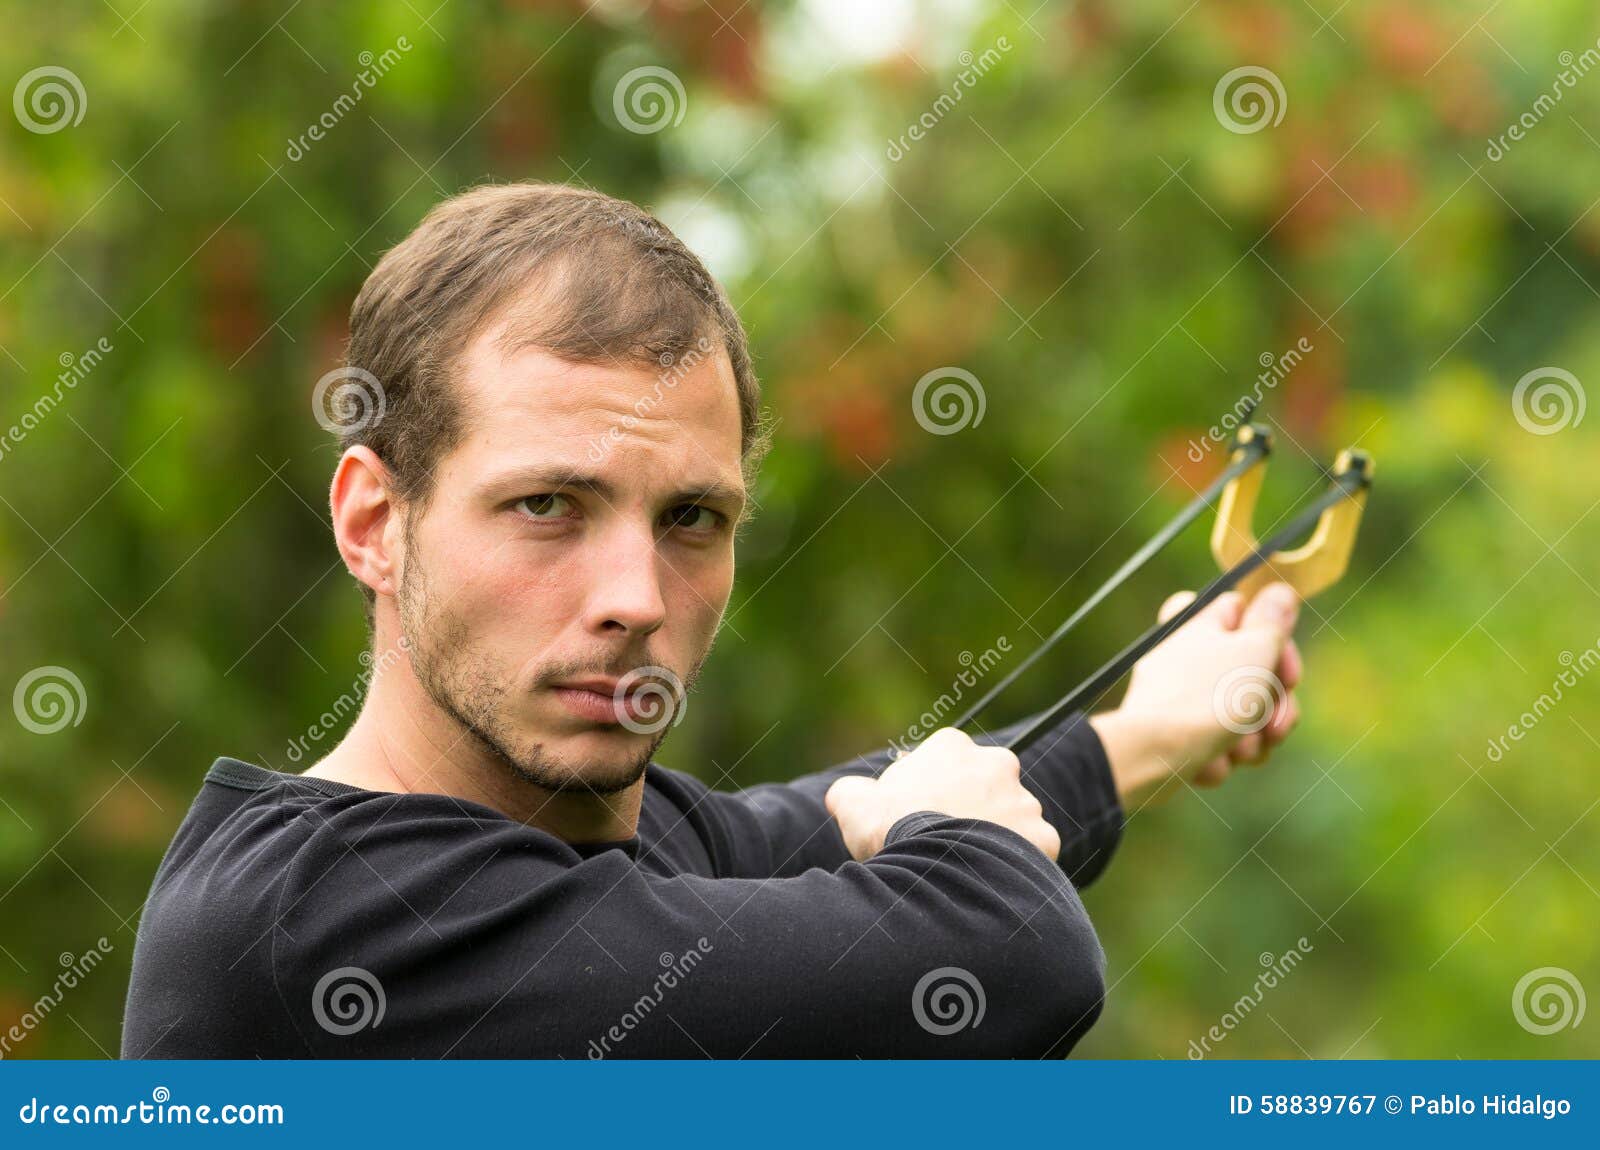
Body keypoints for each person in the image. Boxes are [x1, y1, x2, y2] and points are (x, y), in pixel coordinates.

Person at [120, 183, 1303, 1059]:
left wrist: (1154, 725)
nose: (635, 595)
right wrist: (968, 846)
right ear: (376, 520)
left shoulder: (587, 852)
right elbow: (1002, 951)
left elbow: (812, 825)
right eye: (547, 506)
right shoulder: (318, 921)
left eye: (691, 516)